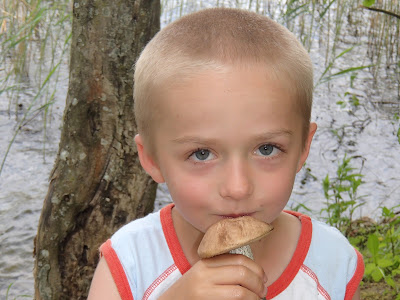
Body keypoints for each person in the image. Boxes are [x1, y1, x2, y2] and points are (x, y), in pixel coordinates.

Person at [87, 7, 364, 300]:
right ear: (152, 159)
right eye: (202, 154)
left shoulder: (333, 263)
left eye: (266, 149)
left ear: (303, 148)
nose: (238, 188)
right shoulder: (129, 264)